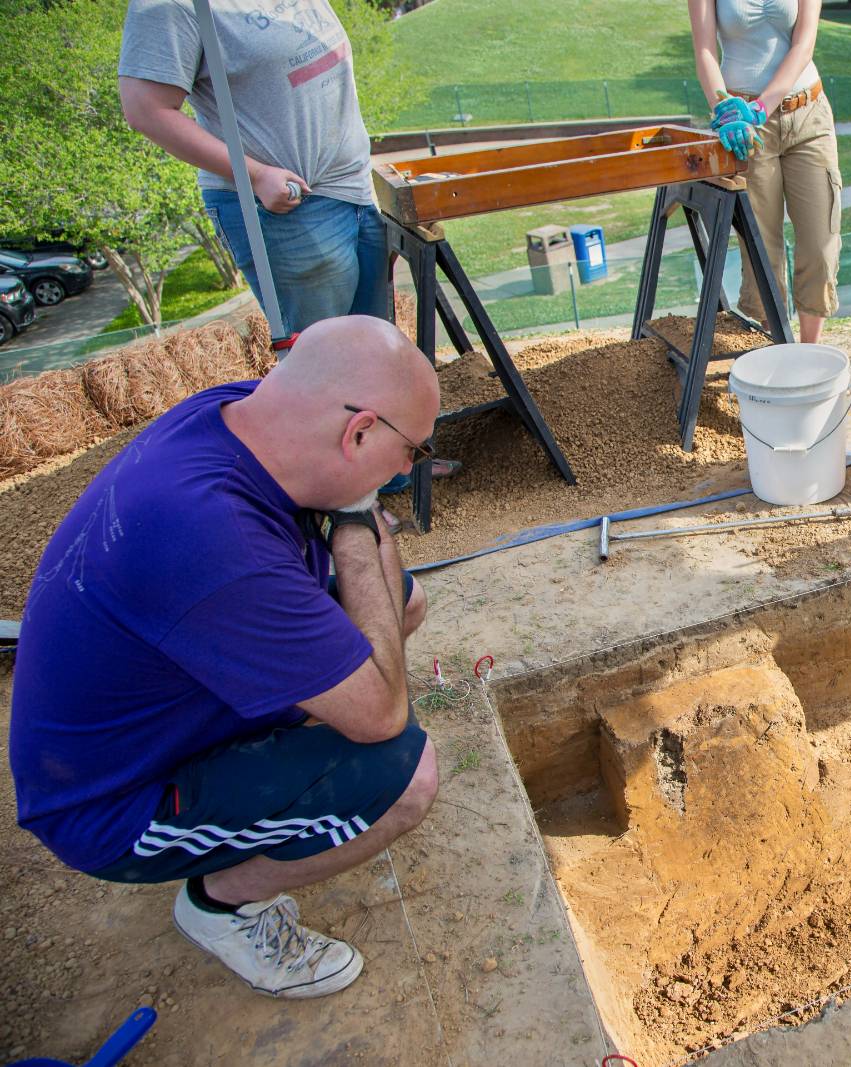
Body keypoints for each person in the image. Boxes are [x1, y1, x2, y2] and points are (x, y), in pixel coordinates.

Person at [9, 316, 441, 999]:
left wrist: (356, 515)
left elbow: (390, 607)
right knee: (404, 776)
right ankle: (222, 904)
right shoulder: (213, 541)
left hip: (169, 693)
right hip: (113, 803)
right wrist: (358, 521)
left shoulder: (242, 414)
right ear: (357, 432)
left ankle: (263, 780)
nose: (408, 470)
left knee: (402, 605)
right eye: (412, 449)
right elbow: (382, 716)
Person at [118, 0, 389, 339]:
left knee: (375, 348)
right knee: (327, 361)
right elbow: (145, 109)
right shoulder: (169, 5)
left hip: (355, 189)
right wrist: (256, 175)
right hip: (289, 208)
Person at [689, 0, 841, 344]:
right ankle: (779, 348)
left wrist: (763, 106)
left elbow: (804, 45)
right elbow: (704, 52)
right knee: (761, 248)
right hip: (745, 125)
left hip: (809, 115)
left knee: (821, 242)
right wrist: (725, 110)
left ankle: (809, 352)